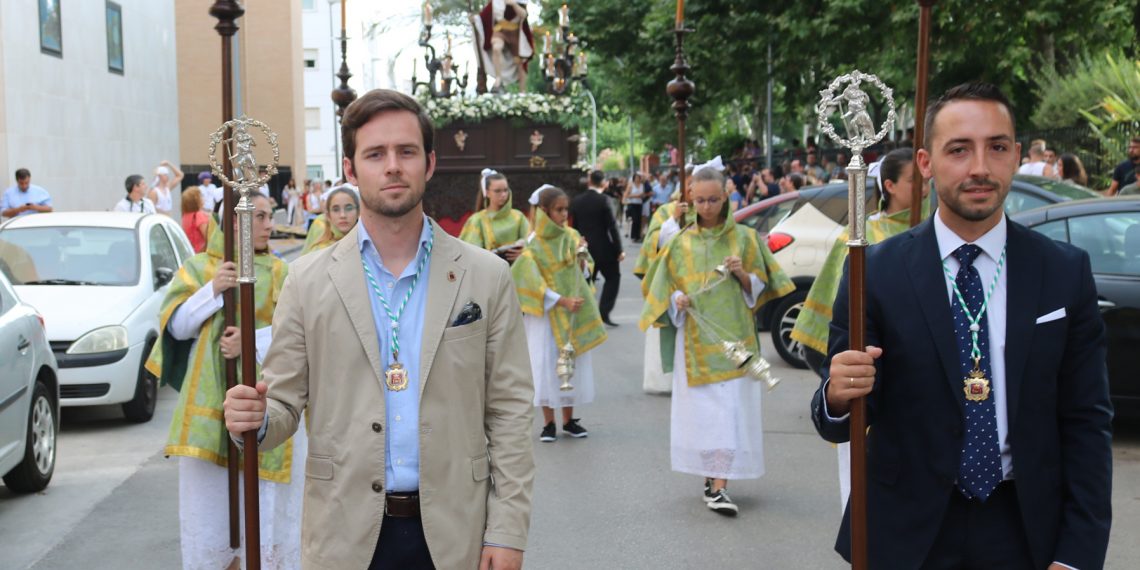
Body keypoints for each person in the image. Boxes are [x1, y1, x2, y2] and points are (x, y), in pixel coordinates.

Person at [222, 89, 534, 569]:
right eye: (375, 154)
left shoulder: (484, 276)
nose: (392, 166)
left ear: (429, 163)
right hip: (345, 535)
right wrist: (258, 417)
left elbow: (510, 412)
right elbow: (283, 406)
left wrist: (508, 532)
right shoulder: (307, 281)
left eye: (406, 151)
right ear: (350, 169)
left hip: (457, 535)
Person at [811, 82, 1112, 569]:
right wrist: (838, 396)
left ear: (1015, 156)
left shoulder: (1062, 272)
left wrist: (1078, 555)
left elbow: (1087, 423)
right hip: (906, 536)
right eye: (959, 149)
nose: (979, 168)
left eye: (996, 148)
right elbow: (842, 411)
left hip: (1027, 531)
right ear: (926, 164)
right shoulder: (876, 271)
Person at [144, 193, 302, 569]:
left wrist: (252, 342)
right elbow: (177, 329)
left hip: (266, 400)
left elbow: (298, 333)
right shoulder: (199, 268)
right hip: (209, 403)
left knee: (264, 505)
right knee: (211, 503)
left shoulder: (281, 273)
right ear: (235, 224)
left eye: (269, 216)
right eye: (259, 217)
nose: (268, 225)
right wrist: (213, 290)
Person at [639, 164, 794, 516]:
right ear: (691, 199)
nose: (707, 207)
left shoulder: (745, 238)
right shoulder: (679, 243)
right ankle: (714, 481)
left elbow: (763, 287)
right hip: (694, 344)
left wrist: (742, 274)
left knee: (730, 414)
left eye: (713, 199)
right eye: (701, 200)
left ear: (726, 197)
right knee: (706, 416)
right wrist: (675, 301)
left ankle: (719, 483)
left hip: (736, 342)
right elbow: (660, 288)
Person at [789, 148, 927, 510]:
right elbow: (836, 326)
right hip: (874, 382)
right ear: (890, 185)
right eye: (915, 181)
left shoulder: (941, 235)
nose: (924, 188)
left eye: (926, 180)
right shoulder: (864, 238)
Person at [512, 185, 606, 442]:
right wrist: (559, 300)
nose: (564, 214)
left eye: (566, 209)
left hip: (572, 312)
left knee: (570, 363)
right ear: (544, 211)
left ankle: (569, 419)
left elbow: (585, 272)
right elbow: (528, 279)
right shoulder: (534, 242)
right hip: (546, 315)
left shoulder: (572, 236)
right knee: (545, 364)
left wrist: (584, 259)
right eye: (559, 210)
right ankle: (548, 422)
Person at [571, 170, 625, 327]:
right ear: (604, 183)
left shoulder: (577, 201)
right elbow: (612, 227)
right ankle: (604, 312)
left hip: (584, 249)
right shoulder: (604, 200)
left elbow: (574, 228)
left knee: (586, 282)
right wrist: (619, 249)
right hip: (605, 249)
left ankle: (586, 316)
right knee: (613, 278)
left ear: (589, 181)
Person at [459, 169, 530, 263]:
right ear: (487, 193)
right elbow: (469, 252)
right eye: (498, 191)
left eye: (505, 190)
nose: (503, 195)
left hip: (518, 271)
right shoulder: (477, 219)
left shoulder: (518, 216)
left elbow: (534, 243)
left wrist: (524, 253)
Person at [474, 0, 535, 92]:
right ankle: (498, 79)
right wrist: (474, 19)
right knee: (496, 48)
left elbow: (524, 15)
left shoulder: (520, 2)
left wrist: (513, 4)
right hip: (500, 31)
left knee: (520, 61)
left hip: (515, 32)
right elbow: (483, 17)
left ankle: (522, 91)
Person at [299, 186, 359, 255]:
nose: (343, 215)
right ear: (328, 215)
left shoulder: (367, 246)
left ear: (358, 212)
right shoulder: (319, 252)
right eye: (336, 209)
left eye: (348, 208)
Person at [180, 186, 210, 254]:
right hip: (201, 254)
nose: (203, 198)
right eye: (201, 196)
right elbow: (209, 237)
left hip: (190, 253)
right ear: (196, 200)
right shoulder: (198, 215)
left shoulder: (185, 216)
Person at [623, 173, 649, 242]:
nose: (637, 179)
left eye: (639, 178)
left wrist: (642, 196)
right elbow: (626, 195)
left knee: (639, 220)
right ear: (634, 178)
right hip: (632, 204)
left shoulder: (642, 185)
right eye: (636, 178)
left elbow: (643, 195)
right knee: (635, 220)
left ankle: (638, 236)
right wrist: (636, 196)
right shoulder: (631, 185)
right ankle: (634, 236)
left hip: (639, 204)